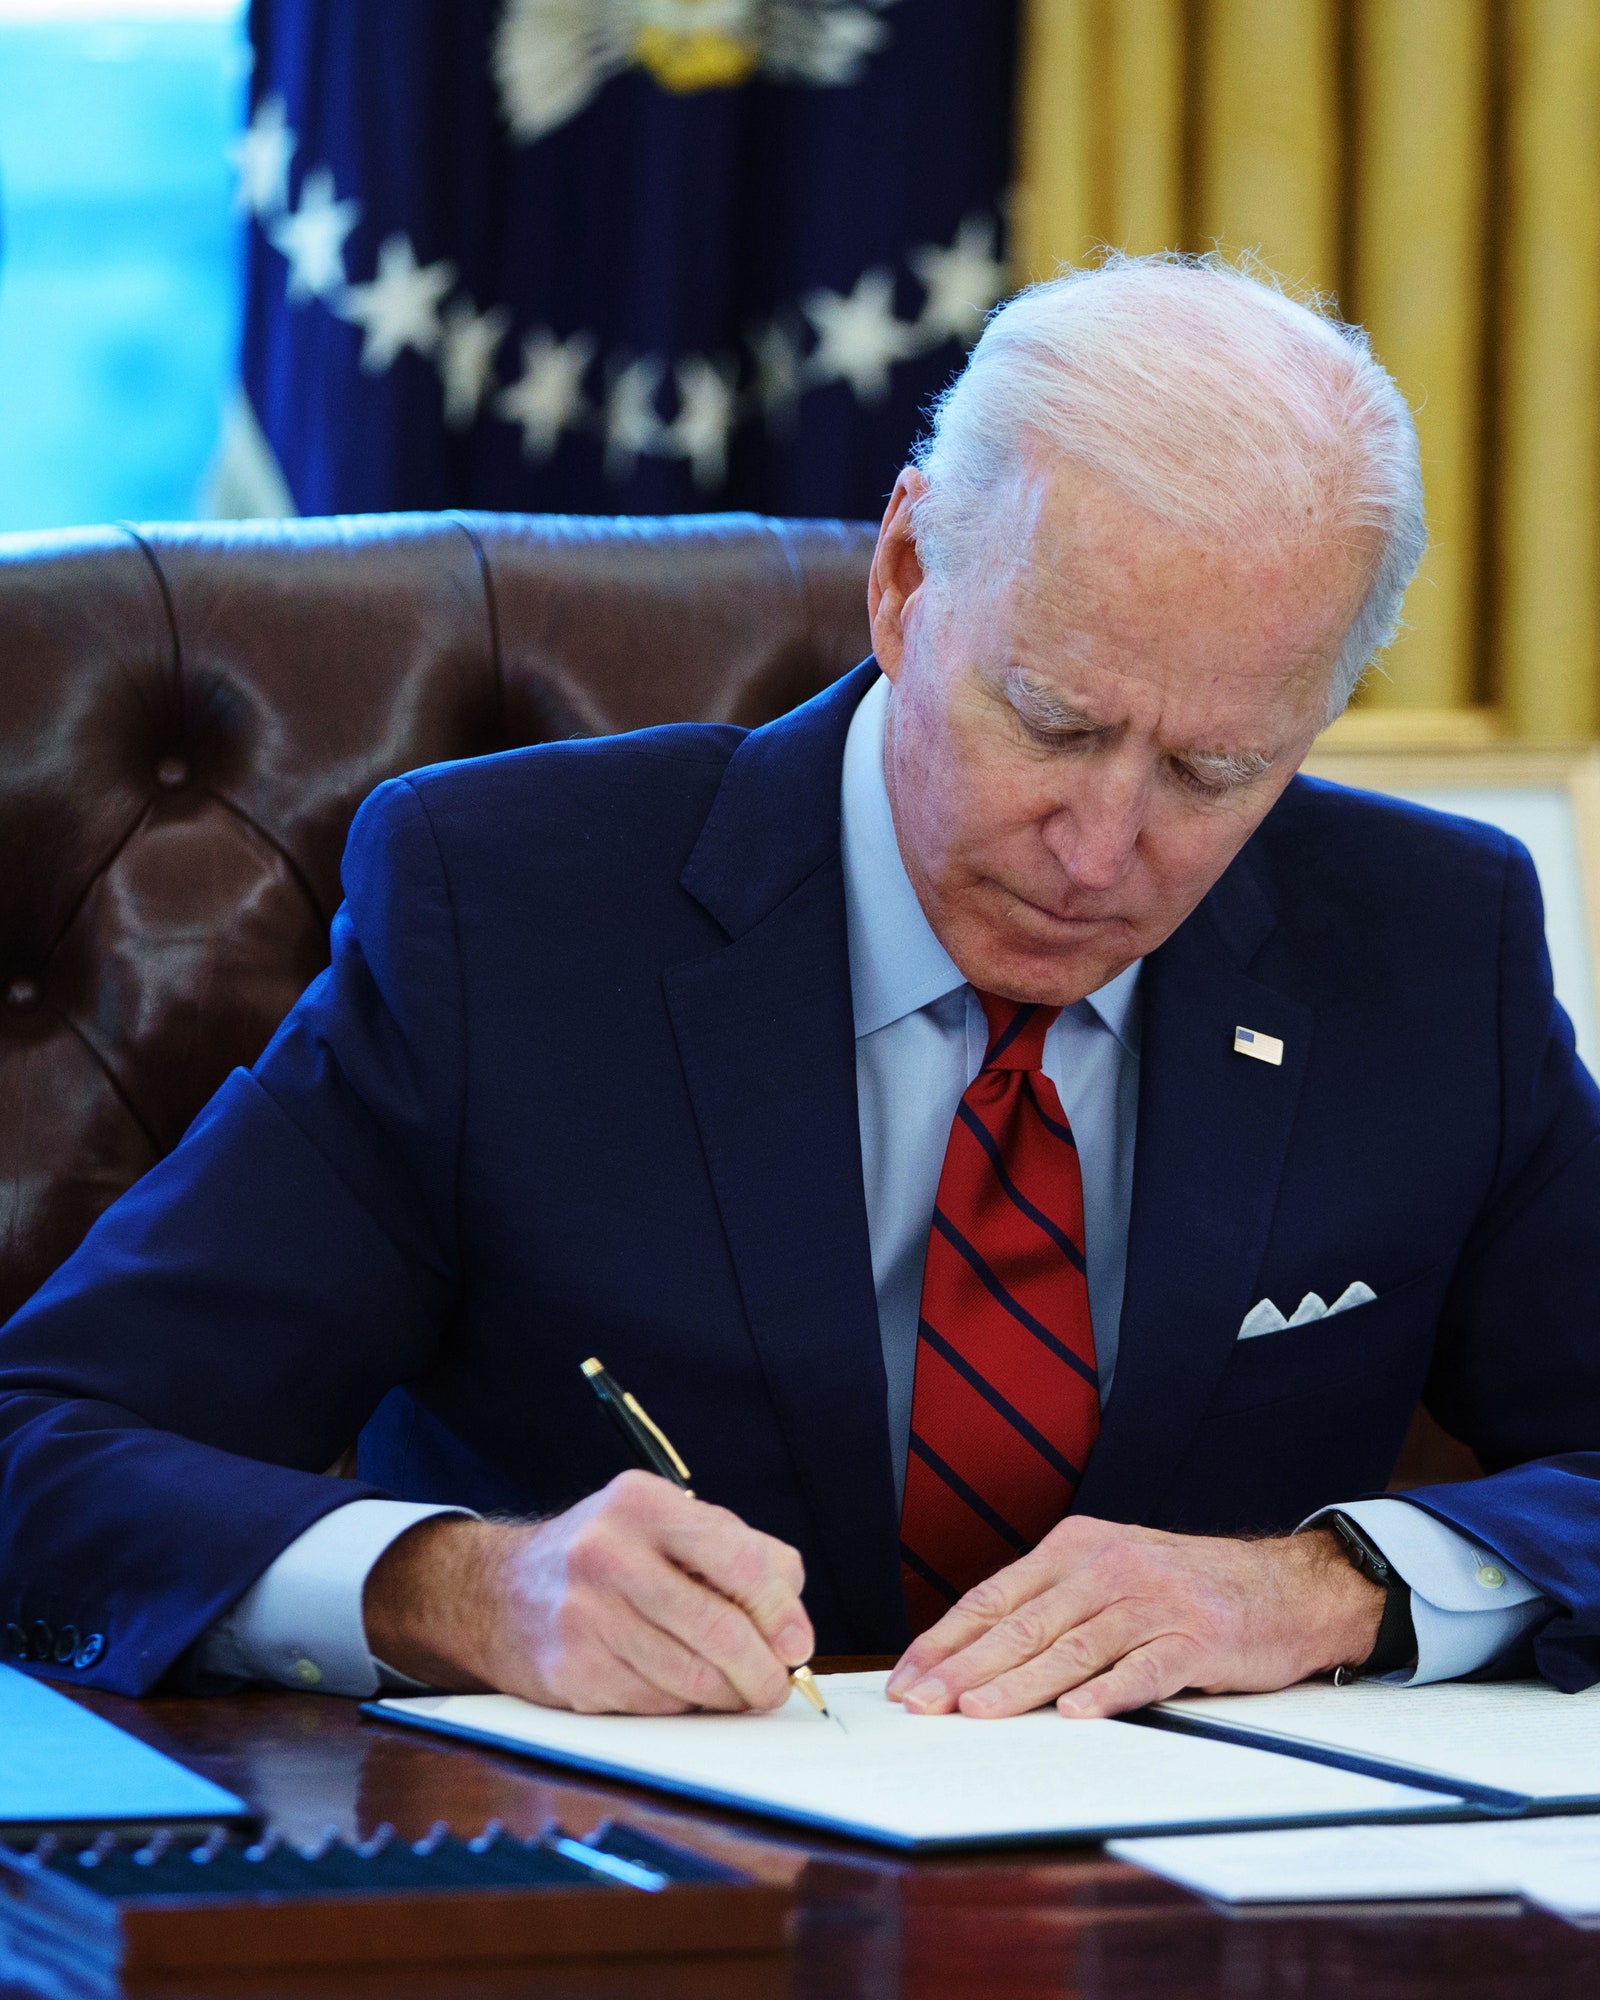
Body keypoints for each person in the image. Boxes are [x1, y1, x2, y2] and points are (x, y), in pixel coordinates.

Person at [4, 253, 1599, 1724]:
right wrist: (454, 1586)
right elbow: (46, 1442)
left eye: (1214, 769)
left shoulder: (1426, 947)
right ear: (905, 577)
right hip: (628, 1907)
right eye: (1048, 721)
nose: (1103, 849)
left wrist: (1332, 1584)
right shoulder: (505, 912)